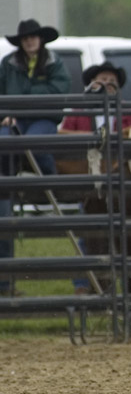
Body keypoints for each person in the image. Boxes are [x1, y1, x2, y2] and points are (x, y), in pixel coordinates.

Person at [0, 19, 71, 296]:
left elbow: (59, 91)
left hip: (40, 118)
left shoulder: (54, 62)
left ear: (41, 39)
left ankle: (48, 185)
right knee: (4, 145)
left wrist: (21, 98)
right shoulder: (8, 64)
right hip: (15, 119)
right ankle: (8, 185)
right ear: (21, 41)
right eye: (25, 38)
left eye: (33, 37)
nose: (30, 41)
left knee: (40, 144)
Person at [59, 61, 131, 294]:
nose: (106, 86)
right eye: (101, 82)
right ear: (90, 87)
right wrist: (98, 137)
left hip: (124, 189)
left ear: (118, 89)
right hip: (91, 185)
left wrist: (106, 138)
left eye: (111, 83)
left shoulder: (128, 111)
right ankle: (99, 292)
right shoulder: (79, 112)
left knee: (130, 237)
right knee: (94, 236)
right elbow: (62, 135)